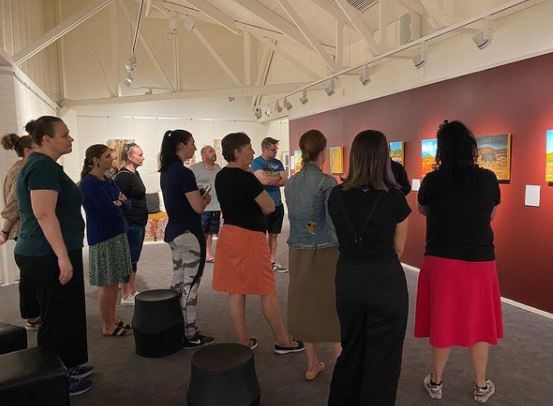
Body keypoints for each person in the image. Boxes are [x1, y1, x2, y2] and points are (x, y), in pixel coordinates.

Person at [414, 120, 503, 404]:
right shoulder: (488, 178)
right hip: (479, 263)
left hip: (441, 261)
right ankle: (480, 385)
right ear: (471, 147)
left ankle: (437, 381)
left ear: (442, 150)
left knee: (443, 322)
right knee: (479, 325)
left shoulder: (432, 180)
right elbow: (491, 215)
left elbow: (423, 209)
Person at [327, 130, 411, 406]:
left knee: (351, 348)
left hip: (349, 279)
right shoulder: (395, 198)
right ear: (383, 157)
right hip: (385, 282)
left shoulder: (336, 196)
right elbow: (399, 249)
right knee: (383, 359)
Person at [14, 116, 93, 395]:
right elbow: (44, 213)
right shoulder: (42, 167)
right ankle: (56, 378)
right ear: (46, 139)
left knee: (66, 313)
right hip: (45, 253)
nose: (70, 139)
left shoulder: (45, 165)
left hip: (49, 250)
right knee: (56, 317)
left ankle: (67, 366)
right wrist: (62, 256)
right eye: (64, 135)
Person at [213, 132, 304, 354]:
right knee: (267, 289)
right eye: (249, 148)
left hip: (229, 235)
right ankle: (283, 341)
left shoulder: (221, 176)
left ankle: (243, 342)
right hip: (250, 238)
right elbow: (269, 206)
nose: (253, 152)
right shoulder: (247, 178)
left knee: (236, 291)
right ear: (237, 152)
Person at [284, 129, 341, 381]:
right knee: (331, 303)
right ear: (323, 151)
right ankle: (341, 359)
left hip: (297, 250)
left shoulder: (291, 182)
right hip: (326, 250)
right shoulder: (327, 182)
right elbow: (333, 222)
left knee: (304, 303)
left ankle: (312, 364)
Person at [159, 130, 214, 348]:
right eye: (192, 143)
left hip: (174, 232)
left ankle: (175, 327)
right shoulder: (183, 173)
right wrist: (206, 198)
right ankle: (190, 333)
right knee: (191, 285)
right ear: (181, 146)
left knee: (178, 281)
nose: (194, 147)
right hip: (189, 234)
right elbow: (198, 207)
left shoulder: (166, 171)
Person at [81, 144, 133, 337]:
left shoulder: (108, 180)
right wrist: (118, 204)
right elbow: (109, 211)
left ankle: (113, 318)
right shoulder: (90, 183)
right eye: (107, 157)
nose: (112, 160)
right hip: (103, 236)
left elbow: (126, 204)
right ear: (95, 160)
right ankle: (107, 325)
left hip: (117, 233)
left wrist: (119, 203)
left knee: (114, 282)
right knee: (106, 282)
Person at [1, 133, 41, 330]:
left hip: (24, 229)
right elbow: (14, 203)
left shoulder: (18, 167)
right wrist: (4, 230)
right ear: (27, 150)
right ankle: (33, 317)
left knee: (30, 275)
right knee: (30, 276)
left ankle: (34, 315)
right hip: (25, 229)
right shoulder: (24, 168)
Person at [115, 142, 148, 305]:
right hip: (131, 223)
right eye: (140, 154)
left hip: (138, 222)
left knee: (133, 258)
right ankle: (126, 293)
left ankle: (132, 290)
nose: (143, 157)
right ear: (129, 156)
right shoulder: (124, 176)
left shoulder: (134, 174)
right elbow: (120, 201)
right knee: (129, 258)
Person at [251, 137, 288, 272]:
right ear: (265, 149)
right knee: (261, 235)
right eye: (273, 150)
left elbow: (285, 181)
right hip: (262, 205)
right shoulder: (256, 163)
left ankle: (271, 261)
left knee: (274, 235)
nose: (275, 152)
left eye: (276, 149)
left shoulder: (278, 163)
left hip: (277, 204)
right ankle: (261, 261)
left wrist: (273, 179)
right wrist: (277, 176)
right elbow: (263, 181)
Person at [190, 146, 221, 263]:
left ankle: (207, 253)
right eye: (211, 151)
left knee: (210, 232)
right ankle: (198, 253)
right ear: (203, 155)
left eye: (214, 151)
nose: (214, 153)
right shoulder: (194, 169)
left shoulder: (218, 168)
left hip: (216, 206)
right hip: (202, 206)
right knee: (200, 231)